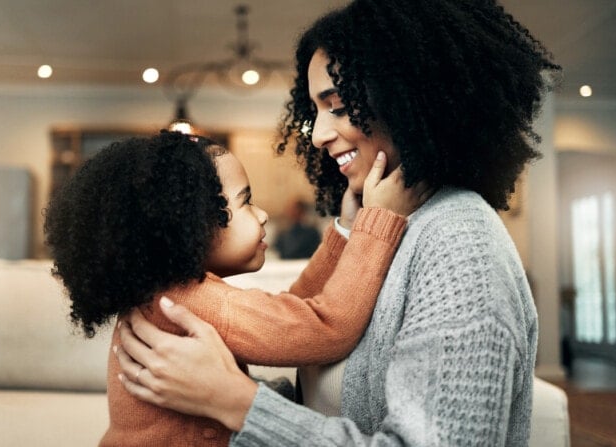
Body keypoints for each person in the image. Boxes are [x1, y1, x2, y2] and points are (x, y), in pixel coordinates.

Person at [115, 0, 561, 445]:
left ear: (409, 98)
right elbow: (330, 386)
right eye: (315, 111)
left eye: (339, 106)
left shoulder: (460, 246)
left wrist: (235, 401)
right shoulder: (394, 227)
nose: (317, 133)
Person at [43, 131, 429, 445]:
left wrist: (345, 232)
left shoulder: (167, 296)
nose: (262, 215)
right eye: (245, 202)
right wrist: (380, 221)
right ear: (190, 224)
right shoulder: (191, 302)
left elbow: (292, 311)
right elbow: (327, 326)